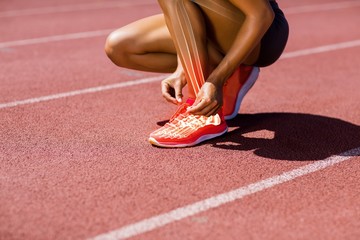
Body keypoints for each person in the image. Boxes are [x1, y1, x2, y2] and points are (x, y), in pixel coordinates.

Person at [105, 0, 289, 147]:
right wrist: (182, 68)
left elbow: (262, 15)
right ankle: (236, 71)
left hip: (263, 37)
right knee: (119, 47)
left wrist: (216, 79)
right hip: (219, 24)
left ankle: (201, 112)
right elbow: (183, 13)